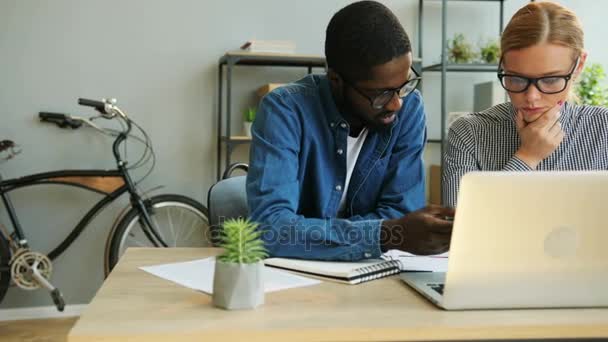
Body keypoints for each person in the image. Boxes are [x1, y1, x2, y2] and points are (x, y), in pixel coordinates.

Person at [246, 1, 454, 262]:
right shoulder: (285, 111)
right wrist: (385, 234)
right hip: (294, 276)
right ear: (336, 80)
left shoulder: (409, 109)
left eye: (403, 86)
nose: (396, 103)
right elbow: (272, 229)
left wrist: (312, 234)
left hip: (374, 272)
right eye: (381, 94)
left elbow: (401, 211)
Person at [443, 1, 608, 208]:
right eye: (517, 79)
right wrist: (527, 157)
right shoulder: (469, 134)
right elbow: (459, 230)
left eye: (550, 80)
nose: (531, 96)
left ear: (579, 66)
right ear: (503, 65)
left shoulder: (604, 129)